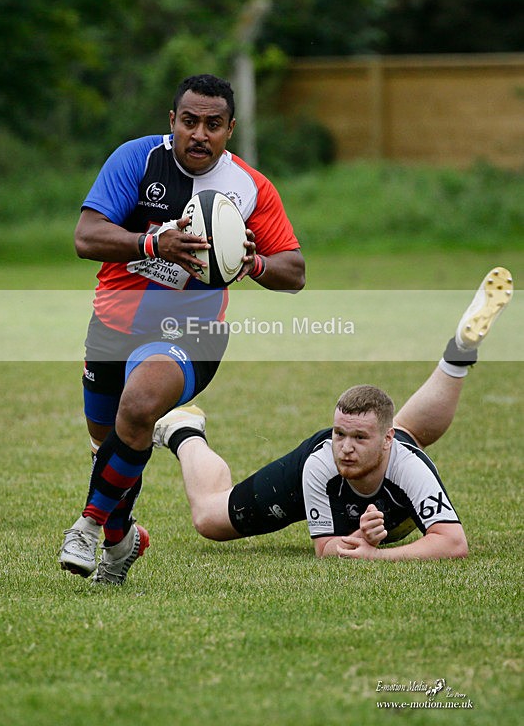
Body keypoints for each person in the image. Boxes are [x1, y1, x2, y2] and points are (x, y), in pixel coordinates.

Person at [59, 73, 305, 584]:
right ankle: (122, 540)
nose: (200, 134)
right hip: (112, 325)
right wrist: (153, 244)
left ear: (230, 129)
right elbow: (86, 236)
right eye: (189, 121)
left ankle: (88, 524)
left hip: (192, 332)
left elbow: (294, 270)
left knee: (140, 405)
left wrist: (252, 265)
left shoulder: (249, 188)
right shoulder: (137, 160)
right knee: (113, 441)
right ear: (172, 122)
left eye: (213, 124)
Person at [153, 266, 513, 562]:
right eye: (340, 434)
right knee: (208, 518)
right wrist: (361, 543)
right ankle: (184, 430)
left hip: (386, 460)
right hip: (307, 481)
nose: (344, 447)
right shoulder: (321, 463)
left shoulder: (408, 463)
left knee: (405, 430)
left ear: (389, 443)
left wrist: (374, 553)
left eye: (358, 438)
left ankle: (460, 352)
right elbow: (326, 549)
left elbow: (453, 543)